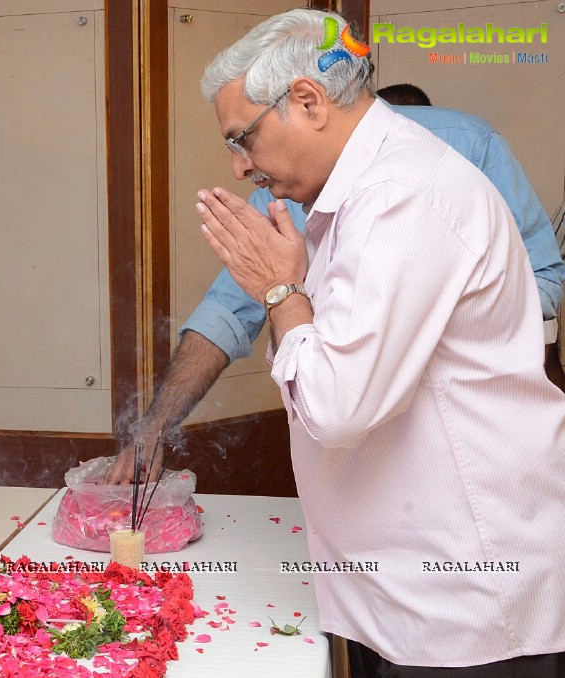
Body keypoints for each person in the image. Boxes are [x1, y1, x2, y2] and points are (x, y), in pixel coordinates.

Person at [163, 8, 565, 674]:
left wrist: (281, 296)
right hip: (418, 575)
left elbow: (337, 406)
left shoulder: (397, 196)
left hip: (459, 591)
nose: (238, 167)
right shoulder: (357, 193)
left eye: (242, 139)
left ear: (307, 101)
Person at [107, 86, 564, 485]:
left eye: (245, 139)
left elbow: (543, 279)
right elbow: (226, 312)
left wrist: (408, 323)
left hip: (467, 465)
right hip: (358, 486)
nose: (240, 169)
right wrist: (154, 427)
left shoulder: (464, 146)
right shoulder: (284, 184)